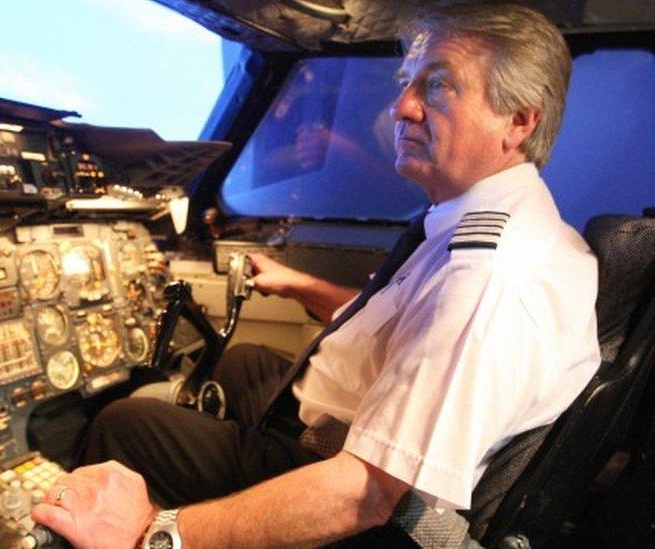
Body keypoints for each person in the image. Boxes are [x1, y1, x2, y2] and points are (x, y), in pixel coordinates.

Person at [32, 3, 600, 547]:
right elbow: (404, 324)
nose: (403, 108)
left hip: (336, 478)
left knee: (124, 422)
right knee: (244, 361)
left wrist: (159, 535)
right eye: (408, 81)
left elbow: (366, 495)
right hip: (334, 428)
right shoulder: (480, 223)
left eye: (438, 85)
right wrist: (297, 284)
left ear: (519, 120)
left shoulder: (489, 276)